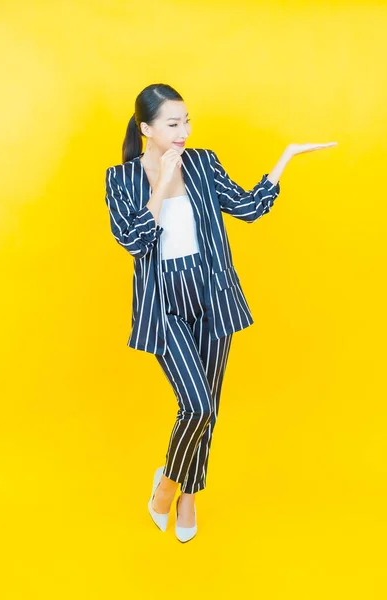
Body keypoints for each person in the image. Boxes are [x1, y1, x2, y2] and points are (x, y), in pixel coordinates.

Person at [104, 83, 337, 542]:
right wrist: (164, 186)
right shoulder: (120, 178)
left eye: (187, 121)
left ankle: (188, 494)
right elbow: (132, 241)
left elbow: (249, 209)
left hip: (212, 300)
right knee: (198, 405)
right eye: (173, 124)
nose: (184, 132)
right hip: (164, 304)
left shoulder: (204, 163)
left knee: (208, 410)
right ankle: (167, 488)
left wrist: (285, 158)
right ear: (146, 128)